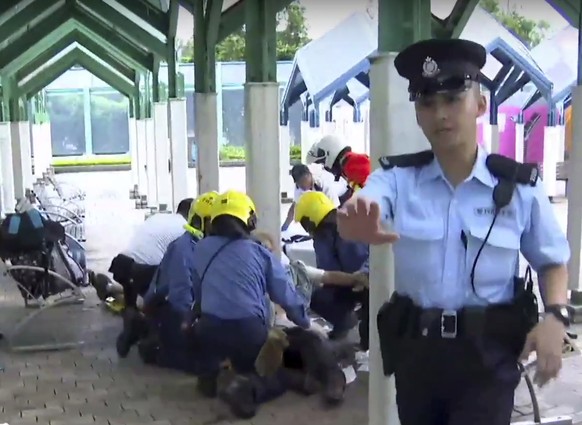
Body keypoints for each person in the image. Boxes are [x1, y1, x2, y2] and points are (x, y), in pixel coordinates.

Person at [337, 38, 571, 425]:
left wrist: (555, 317)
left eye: (452, 100)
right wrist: (353, 220)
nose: (440, 114)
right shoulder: (398, 179)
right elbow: (359, 209)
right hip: (418, 358)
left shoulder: (518, 188)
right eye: (427, 103)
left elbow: (552, 263)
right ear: (417, 113)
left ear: (479, 106)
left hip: (488, 359)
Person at [176, 190, 312, 418]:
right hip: (248, 332)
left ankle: (209, 377)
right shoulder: (260, 254)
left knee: (217, 351)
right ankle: (247, 388)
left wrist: (190, 319)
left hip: (208, 330)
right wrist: (305, 322)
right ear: (248, 220)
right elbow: (285, 295)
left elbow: (199, 295)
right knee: (276, 376)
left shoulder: (200, 249)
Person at [134, 191, 219, 369]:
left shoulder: (215, 246)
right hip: (170, 308)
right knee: (198, 364)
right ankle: (154, 348)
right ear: (202, 222)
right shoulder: (184, 249)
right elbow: (181, 296)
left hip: (195, 308)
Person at [111, 198, 193, 357]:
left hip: (123, 263)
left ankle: (132, 315)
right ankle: (147, 329)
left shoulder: (159, 217)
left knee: (145, 292)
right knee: (169, 292)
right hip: (145, 269)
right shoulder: (184, 229)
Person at [295, 191, 369, 342]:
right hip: (361, 281)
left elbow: (329, 269)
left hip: (361, 283)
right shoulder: (347, 221)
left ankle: (347, 324)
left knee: (316, 297)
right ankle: (351, 324)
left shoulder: (326, 235)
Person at [306, 134, 371, 201]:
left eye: (322, 162)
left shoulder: (352, 163)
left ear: (329, 153)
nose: (324, 166)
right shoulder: (349, 163)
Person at [281, 164, 342, 231]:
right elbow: (294, 207)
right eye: (301, 185)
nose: (304, 187)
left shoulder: (323, 184)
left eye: (306, 183)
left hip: (341, 195)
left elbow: (335, 208)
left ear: (310, 175)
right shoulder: (298, 189)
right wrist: (285, 226)